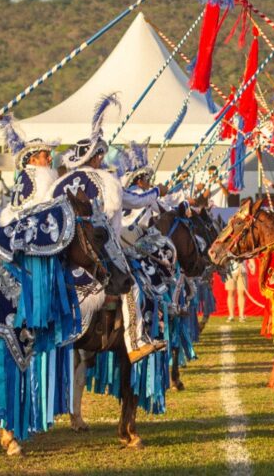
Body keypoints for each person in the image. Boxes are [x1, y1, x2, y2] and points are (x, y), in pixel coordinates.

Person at [55, 94, 166, 363]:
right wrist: (156, 191)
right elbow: (136, 200)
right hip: (103, 247)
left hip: (64, 252)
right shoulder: (107, 180)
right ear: (96, 157)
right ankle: (136, 340)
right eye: (101, 155)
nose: (102, 159)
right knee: (132, 284)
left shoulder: (59, 184)